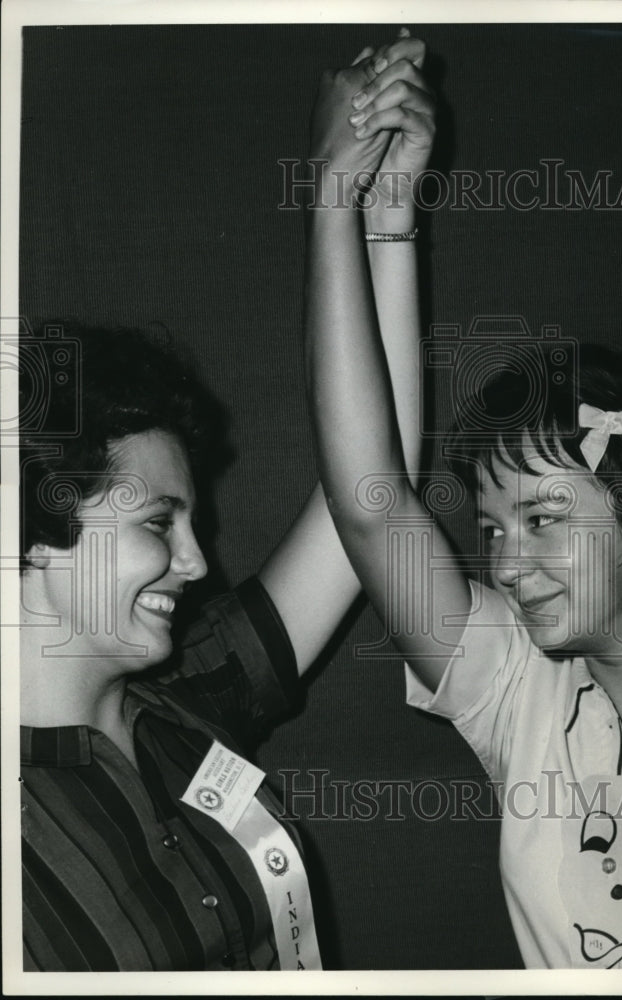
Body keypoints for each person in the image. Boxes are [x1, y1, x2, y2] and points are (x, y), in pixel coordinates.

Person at [18, 32, 435, 972]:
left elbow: (374, 494)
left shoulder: (183, 709)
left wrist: (380, 214)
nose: (201, 562)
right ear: (33, 533)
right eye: (157, 523)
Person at [305, 67, 622, 967]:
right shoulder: (526, 691)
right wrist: (354, 207)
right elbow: (370, 503)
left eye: (543, 518)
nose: (505, 563)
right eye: (494, 529)